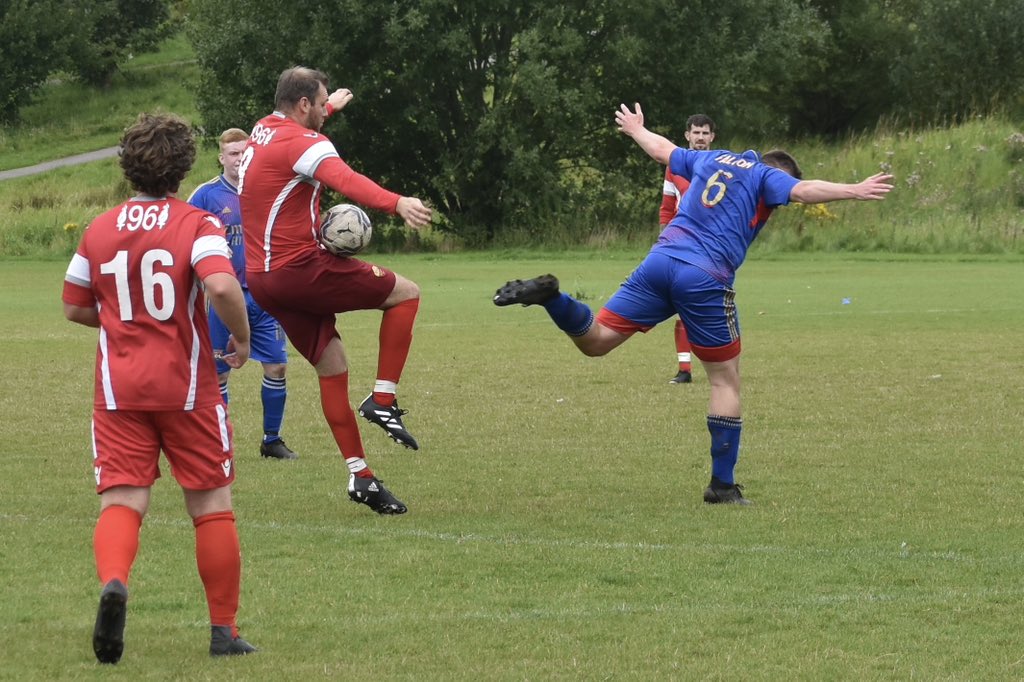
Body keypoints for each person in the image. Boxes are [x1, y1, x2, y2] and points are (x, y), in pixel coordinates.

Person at [494, 102, 893, 505]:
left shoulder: (710, 159)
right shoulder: (767, 176)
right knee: (725, 379)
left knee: (597, 339)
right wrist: (854, 190)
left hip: (661, 260)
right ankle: (722, 486)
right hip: (703, 276)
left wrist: (634, 129)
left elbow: (662, 150)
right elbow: (804, 191)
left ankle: (552, 298)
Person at [62, 113, 258, 662]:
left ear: (128, 166)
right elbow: (220, 283)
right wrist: (240, 340)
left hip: (119, 390)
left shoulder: (99, 228)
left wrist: (126, 323)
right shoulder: (196, 223)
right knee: (211, 504)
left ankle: (115, 583)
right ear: (182, 166)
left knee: (123, 499)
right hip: (188, 386)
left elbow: (74, 305)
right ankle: (224, 632)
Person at [238, 66, 432, 515]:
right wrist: (396, 202)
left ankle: (361, 477)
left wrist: (331, 111)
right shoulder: (306, 143)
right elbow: (343, 178)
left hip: (264, 281)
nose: (327, 110)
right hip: (300, 268)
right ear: (303, 105)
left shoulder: (263, 129)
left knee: (333, 366)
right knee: (406, 293)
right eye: (322, 104)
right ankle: (383, 399)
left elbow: (292, 147)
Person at [188, 128, 298, 461]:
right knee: (220, 372)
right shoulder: (205, 196)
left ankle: (272, 440)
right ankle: (218, 443)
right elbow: (183, 237)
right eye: (232, 154)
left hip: (267, 296)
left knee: (277, 366)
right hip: (223, 298)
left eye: (243, 153)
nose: (238, 159)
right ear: (221, 157)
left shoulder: (268, 190)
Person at [659, 114, 716, 384]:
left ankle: (720, 365)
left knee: (710, 308)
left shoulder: (720, 166)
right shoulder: (674, 166)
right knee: (683, 305)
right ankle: (685, 370)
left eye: (705, 133)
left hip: (714, 247)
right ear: (687, 136)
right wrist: (664, 240)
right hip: (682, 244)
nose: (700, 137)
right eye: (696, 133)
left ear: (712, 137)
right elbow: (667, 207)